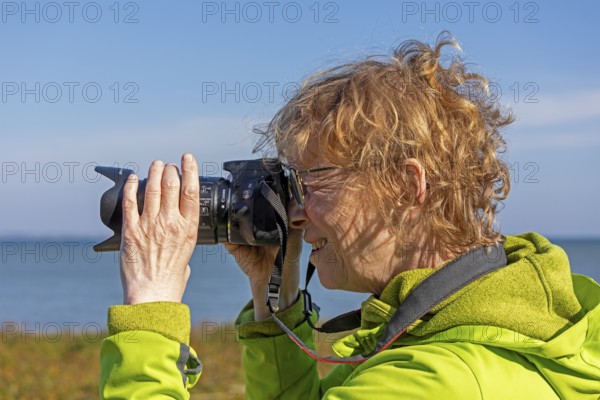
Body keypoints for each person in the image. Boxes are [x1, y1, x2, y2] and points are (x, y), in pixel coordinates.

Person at [99, 33, 600, 399]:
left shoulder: (433, 381)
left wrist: (150, 310)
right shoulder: (488, 324)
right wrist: (275, 294)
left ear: (406, 186)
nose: (294, 215)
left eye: (310, 184)